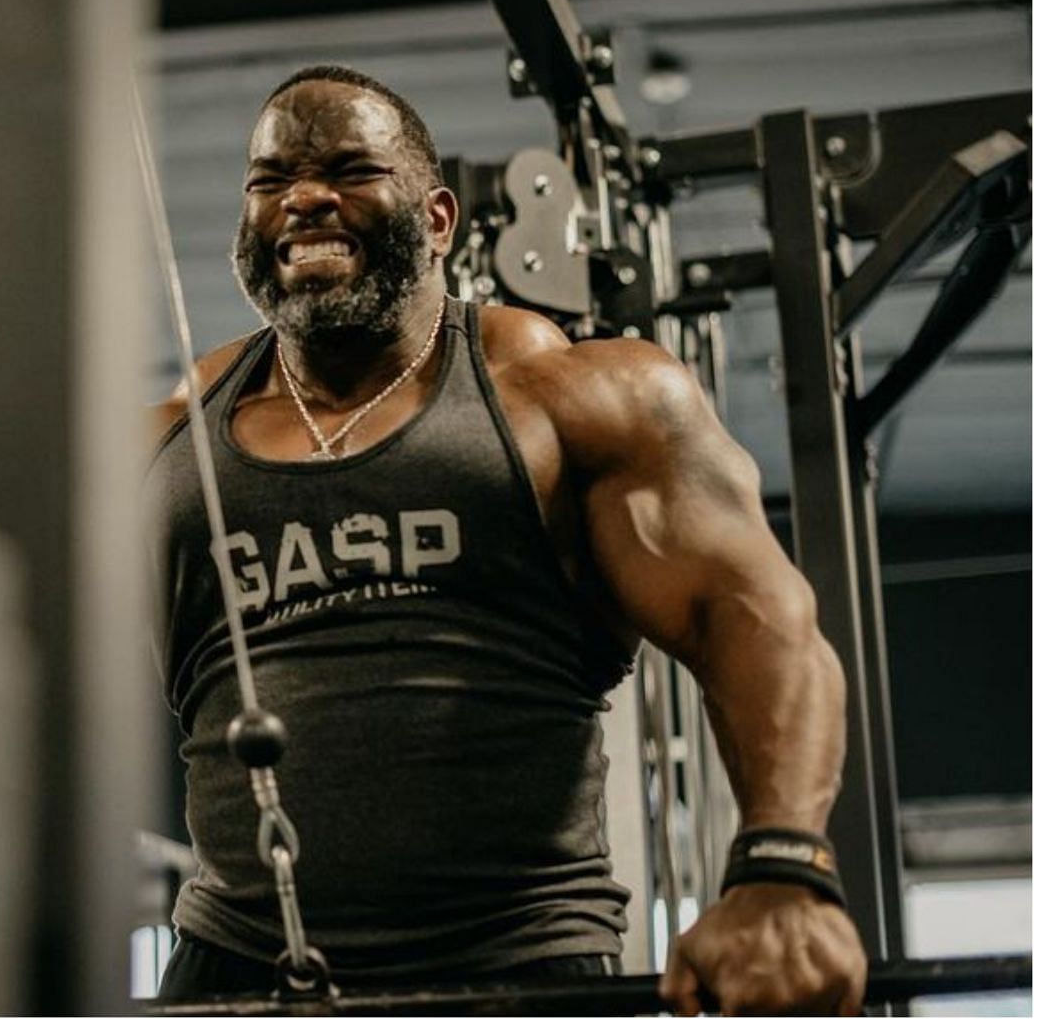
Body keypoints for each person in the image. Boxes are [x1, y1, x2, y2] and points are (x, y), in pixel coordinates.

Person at [143, 64, 868, 1016]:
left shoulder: (577, 400)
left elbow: (753, 617)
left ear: (438, 220)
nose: (305, 198)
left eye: (351, 170)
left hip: (515, 968)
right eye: (271, 180)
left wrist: (783, 869)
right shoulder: (165, 443)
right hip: (234, 973)